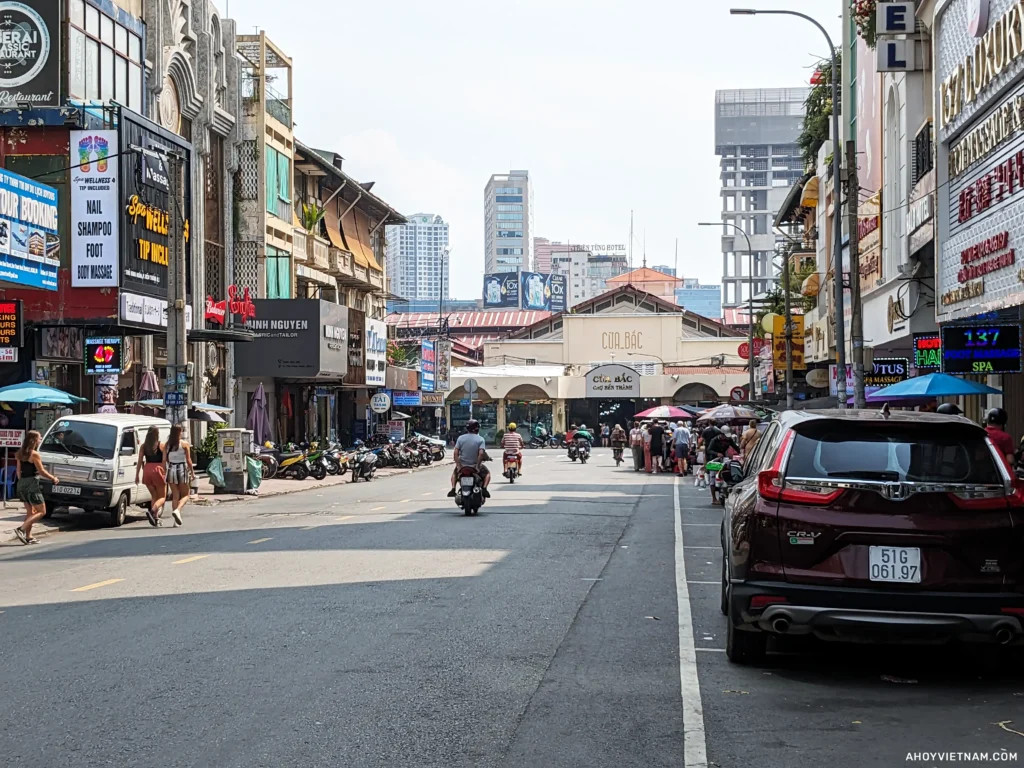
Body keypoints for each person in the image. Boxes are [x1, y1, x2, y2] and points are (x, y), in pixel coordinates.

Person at [12, 430, 59, 545]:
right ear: (34, 440)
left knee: (30, 512)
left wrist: (21, 483)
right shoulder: (34, 454)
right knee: (42, 511)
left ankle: (28, 536)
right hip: (32, 484)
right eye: (39, 438)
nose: (41, 439)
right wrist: (53, 478)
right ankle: (21, 529)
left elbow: (18, 471)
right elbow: (41, 471)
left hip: (21, 483)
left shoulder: (19, 453)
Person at [448, 419, 491, 497]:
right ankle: (484, 489)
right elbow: (481, 453)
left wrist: (458, 465)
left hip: (463, 466)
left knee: (455, 473)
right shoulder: (480, 439)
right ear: (477, 428)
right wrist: (477, 466)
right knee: (487, 474)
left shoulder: (460, 438)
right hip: (474, 466)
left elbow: (455, 453)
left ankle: (453, 489)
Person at [135, 425, 167, 527]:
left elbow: (140, 461)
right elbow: (164, 461)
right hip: (158, 470)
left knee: (154, 495)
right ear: (157, 434)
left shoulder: (144, 446)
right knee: (162, 497)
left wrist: (137, 475)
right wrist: (166, 472)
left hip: (147, 470)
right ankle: (153, 511)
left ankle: (155, 518)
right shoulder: (161, 445)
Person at [163, 424, 194, 527]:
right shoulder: (185, 444)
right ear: (180, 432)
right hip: (181, 469)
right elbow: (189, 460)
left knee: (175, 495)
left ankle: (176, 521)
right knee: (186, 494)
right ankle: (178, 510)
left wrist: (164, 471)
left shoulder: (167, 445)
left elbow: (164, 460)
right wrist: (192, 472)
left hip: (171, 469)